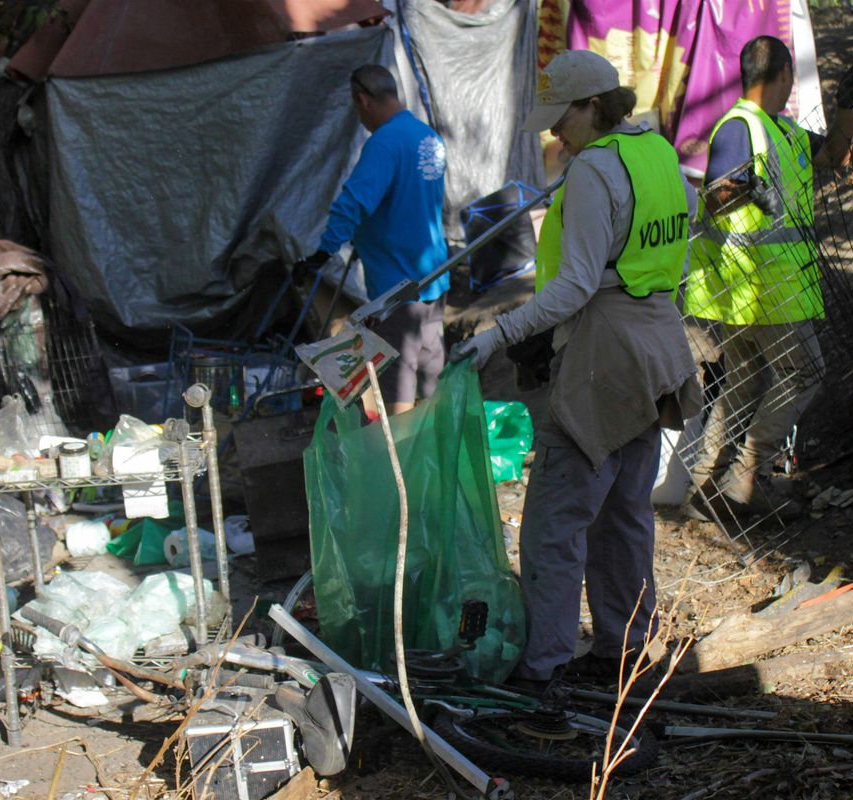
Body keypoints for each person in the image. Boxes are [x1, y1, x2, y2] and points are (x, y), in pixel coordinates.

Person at [454, 50, 700, 686]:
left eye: (561, 118)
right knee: (624, 515)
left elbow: (576, 285)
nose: (553, 133)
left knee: (555, 525)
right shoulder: (657, 152)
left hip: (602, 359)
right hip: (658, 350)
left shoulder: (593, 169)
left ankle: (543, 667)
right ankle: (624, 649)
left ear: (595, 106)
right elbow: (680, 234)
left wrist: (496, 337)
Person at [680, 36, 853, 521]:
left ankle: (707, 484)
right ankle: (750, 477)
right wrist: (746, 187)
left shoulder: (781, 130)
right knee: (804, 372)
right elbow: (714, 195)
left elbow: (834, 156)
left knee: (744, 384)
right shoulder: (740, 128)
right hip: (763, 289)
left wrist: (845, 105)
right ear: (784, 75)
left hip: (762, 290)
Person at [295, 64, 449, 415]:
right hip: (434, 280)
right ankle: (428, 459)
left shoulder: (385, 142)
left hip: (398, 286)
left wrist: (323, 252)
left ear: (362, 99)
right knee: (428, 377)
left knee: (398, 385)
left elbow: (354, 201)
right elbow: (411, 199)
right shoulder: (427, 137)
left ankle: (401, 463)